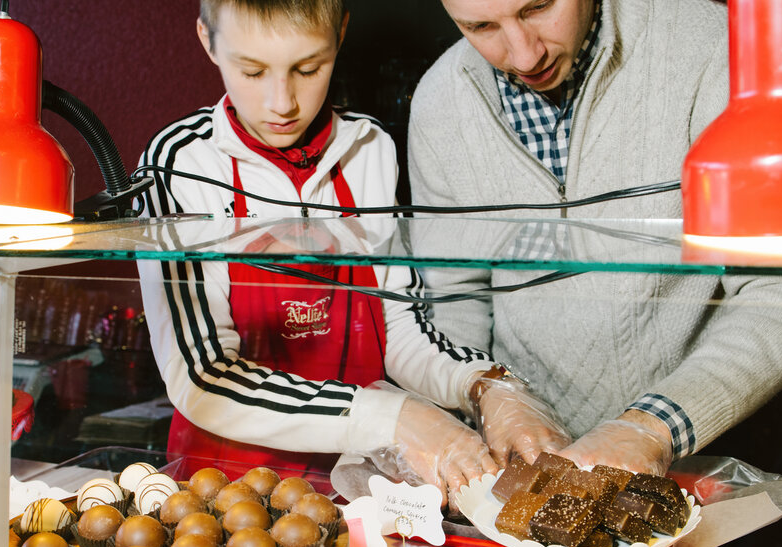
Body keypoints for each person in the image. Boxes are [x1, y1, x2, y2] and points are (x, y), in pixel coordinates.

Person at [407, 0, 782, 475]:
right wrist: (488, 391)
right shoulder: (439, 101)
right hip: (530, 465)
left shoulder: (713, 45)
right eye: (480, 26)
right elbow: (453, 299)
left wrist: (652, 426)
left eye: (538, 8)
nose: (525, 56)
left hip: (710, 455)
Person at [135, 0, 511, 504]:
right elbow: (203, 377)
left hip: (364, 485)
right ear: (208, 40)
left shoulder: (370, 148)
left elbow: (400, 329)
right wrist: (394, 416)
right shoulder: (178, 164)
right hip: (226, 491)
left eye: (308, 68)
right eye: (252, 71)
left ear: (340, 35)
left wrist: (485, 384)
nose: (282, 102)